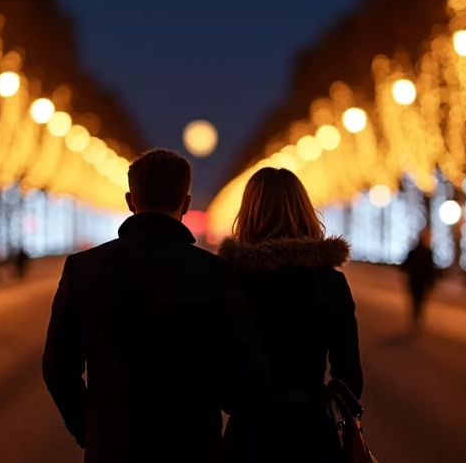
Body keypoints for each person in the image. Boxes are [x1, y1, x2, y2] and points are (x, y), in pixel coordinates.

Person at [42, 149, 266, 463]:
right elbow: (242, 372)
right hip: (193, 445)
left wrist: (91, 429)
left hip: (113, 447)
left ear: (131, 200)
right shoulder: (215, 273)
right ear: (185, 204)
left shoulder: (84, 268)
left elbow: (58, 369)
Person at [218, 167, 363, 463]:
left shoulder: (231, 281)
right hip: (310, 433)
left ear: (248, 213)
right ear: (304, 211)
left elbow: (220, 371)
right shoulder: (329, 281)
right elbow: (349, 378)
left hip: (249, 434)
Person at [401, 228, 436, 332]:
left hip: (414, 280)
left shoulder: (413, 252)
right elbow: (431, 269)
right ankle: (418, 318)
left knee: (415, 299)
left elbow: (404, 266)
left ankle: (415, 318)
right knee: (420, 300)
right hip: (422, 281)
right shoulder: (427, 252)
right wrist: (431, 282)